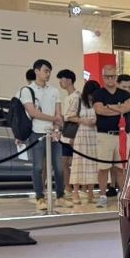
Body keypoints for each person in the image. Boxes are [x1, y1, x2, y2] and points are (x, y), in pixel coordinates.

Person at [21, 59, 67, 210]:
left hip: (53, 133)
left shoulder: (54, 91)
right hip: (37, 133)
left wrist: (56, 129)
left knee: (59, 167)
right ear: (37, 71)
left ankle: (60, 196)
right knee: (38, 167)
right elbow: (33, 112)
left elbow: (58, 113)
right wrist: (54, 119)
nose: (48, 74)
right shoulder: (27, 90)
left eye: (49, 71)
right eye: (45, 71)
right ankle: (40, 198)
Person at [93, 65, 130, 208]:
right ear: (103, 77)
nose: (110, 79)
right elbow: (99, 110)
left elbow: (127, 108)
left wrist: (109, 106)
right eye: (107, 76)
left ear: (116, 76)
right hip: (104, 135)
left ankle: (122, 195)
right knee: (103, 168)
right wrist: (118, 108)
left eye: (112, 76)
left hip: (121, 135)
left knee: (121, 168)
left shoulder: (125, 94)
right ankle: (103, 196)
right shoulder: (98, 93)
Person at [66, 79, 99, 204]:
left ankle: (91, 193)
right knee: (78, 164)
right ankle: (75, 193)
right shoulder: (79, 100)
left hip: (94, 135)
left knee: (93, 164)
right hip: (81, 134)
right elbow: (69, 116)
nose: (92, 96)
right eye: (91, 93)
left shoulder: (98, 102)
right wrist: (83, 120)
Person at [57, 69, 79, 196]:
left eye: (62, 79)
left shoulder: (77, 96)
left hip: (73, 134)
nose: (60, 82)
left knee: (73, 163)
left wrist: (74, 136)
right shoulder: (67, 98)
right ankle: (67, 188)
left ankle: (76, 189)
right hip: (65, 134)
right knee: (64, 162)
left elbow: (75, 117)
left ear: (70, 80)